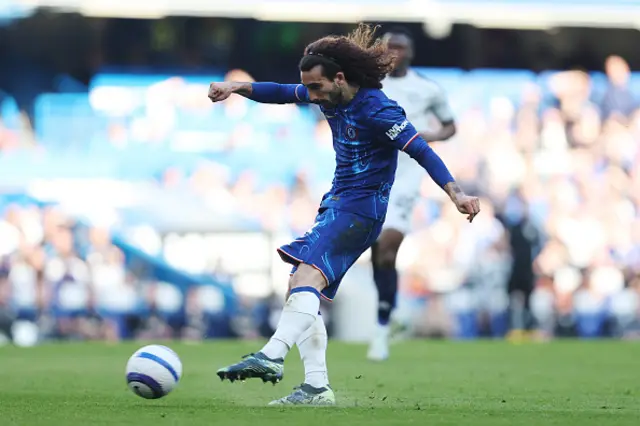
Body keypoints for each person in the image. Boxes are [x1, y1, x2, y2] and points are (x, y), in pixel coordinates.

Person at [208, 24, 480, 406]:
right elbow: (284, 92)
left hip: (361, 210)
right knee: (301, 289)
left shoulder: (379, 109)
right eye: (310, 89)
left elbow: (421, 150)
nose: (312, 96)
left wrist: (457, 193)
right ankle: (316, 387)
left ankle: (271, 355)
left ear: (339, 78)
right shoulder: (329, 95)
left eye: (317, 88)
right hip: (338, 204)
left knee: (304, 278)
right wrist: (236, 88)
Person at [367, 26, 457, 361]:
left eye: (401, 47)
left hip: (405, 176)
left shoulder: (427, 88)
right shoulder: (369, 84)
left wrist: (426, 136)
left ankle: (381, 326)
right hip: (369, 173)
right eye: (389, 47)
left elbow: (450, 126)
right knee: (377, 250)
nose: (395, 53)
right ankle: (387, 312)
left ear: (410, 52)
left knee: (388, 247)